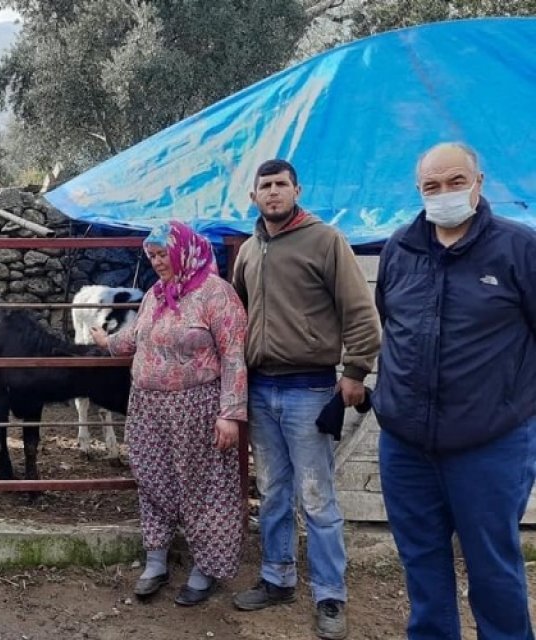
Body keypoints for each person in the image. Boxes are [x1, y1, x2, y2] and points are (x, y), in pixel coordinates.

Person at [373, 142, 536, 640]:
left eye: (455, 182)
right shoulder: (399, 249)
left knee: (493, 566)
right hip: (405, 447)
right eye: (432, 186)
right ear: (418, 191)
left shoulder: (518, 249)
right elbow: (390, 321)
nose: (444, 194)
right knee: (421, 563)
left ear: (479, 183)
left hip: (489, 446)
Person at [229, 159, 380, 640]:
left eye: (280, 185)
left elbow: (360, 311)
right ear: (253, 196)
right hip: (261, 387)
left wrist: (355, 370)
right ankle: (277, 578)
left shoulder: (326, 241)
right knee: (272, 491)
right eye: (264, 186)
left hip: (311, 388)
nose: (272, 193)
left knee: (317, 496)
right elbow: (238, 316)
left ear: (297, 189)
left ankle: (330, 594)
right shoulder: (249, 251)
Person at [91, 221, 247, 606]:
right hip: (147, 406)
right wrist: (106, 342)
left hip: (196, 406)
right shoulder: (156, 295)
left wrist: (230, 413)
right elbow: (136, 338)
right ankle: (156, 560)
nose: (158, 262)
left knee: (202, 484)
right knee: (153, 479)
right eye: (153, 256)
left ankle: (205, 567)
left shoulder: (217, 295)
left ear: (185, 251)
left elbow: (233, 357)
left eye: (164, 254)